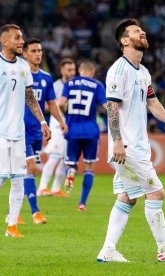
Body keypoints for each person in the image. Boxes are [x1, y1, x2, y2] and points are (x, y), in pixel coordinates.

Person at [96, 19, 165, 263]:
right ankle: (164, 249)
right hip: (127, 147)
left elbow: (151, 101)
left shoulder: (142, 71)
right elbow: (112, 106)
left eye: (142, 30)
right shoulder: (119, 70)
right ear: (125, 40)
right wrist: (117, 141)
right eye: (137, 32)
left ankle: (108, 250)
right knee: (157, 193)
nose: (143, 33)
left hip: (135, 145)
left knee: (128, 197)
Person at [0, 24, 51, 238]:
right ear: (4, 40)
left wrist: (43, 122)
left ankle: (12, 226)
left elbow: (29, 97)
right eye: (17, 38)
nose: (21, 42)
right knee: (0, 177)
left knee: (19, 178)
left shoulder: (24, 67)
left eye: (22, 38)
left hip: (19, 131)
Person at [19, 38, 68, 224]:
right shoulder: (19, 75)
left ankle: (12, 212)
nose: (37, 54)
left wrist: (60, 121)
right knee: (30, 168)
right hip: (19, 129)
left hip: (37, 130)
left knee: (22, 171)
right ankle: (35, 212)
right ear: (24, 54)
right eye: (33, 51)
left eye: (39, 50)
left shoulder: (46, 78)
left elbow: (51, 104)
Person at [58, 60, 107, 211]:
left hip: (72, 129)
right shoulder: (97, 85)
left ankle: (71, 172)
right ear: (92, 72)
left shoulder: (69, 84)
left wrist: (67, 113)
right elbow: (105, 106)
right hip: (90, 130)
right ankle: (82, 203)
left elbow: (61, 103)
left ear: (80, 70)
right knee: (89, 166)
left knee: (70, 163)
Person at [38, 58, 76, 197]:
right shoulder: (56, 86)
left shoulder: (76, 85)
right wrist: (59, 107)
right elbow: (46, 104)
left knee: (65, 158)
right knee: (54, 155)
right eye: (69, 70)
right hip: (57, 124)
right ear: (62, 70)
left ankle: (55, 188)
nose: (72, 72)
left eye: (73, 70)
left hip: (71, 124)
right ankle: (42, 187)